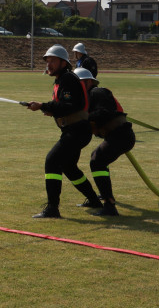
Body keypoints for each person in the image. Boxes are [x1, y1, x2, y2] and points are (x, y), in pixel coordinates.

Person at [24, 44, 102, 218]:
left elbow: (71, 105)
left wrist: (43, 105)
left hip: (77, 131)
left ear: (63, 62)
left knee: (51, 161)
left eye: (52, 60)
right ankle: (94, 200)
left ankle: (52, 208)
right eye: (47, 61)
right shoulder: (61, 80)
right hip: (74, 130)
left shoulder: (67, 79)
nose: (48, 64)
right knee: (69, 167)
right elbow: (67, 107)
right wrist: (52, 111)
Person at [74, 68, 134, 217]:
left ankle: (109, 205)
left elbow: (104, 112)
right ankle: (104, 196)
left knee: (97, 160)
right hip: (116, 136)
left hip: (121, 135)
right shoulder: (88, 97)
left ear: (88, 82)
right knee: (97, 158)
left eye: (78, 84)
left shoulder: (97, 92)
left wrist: (84, 118)